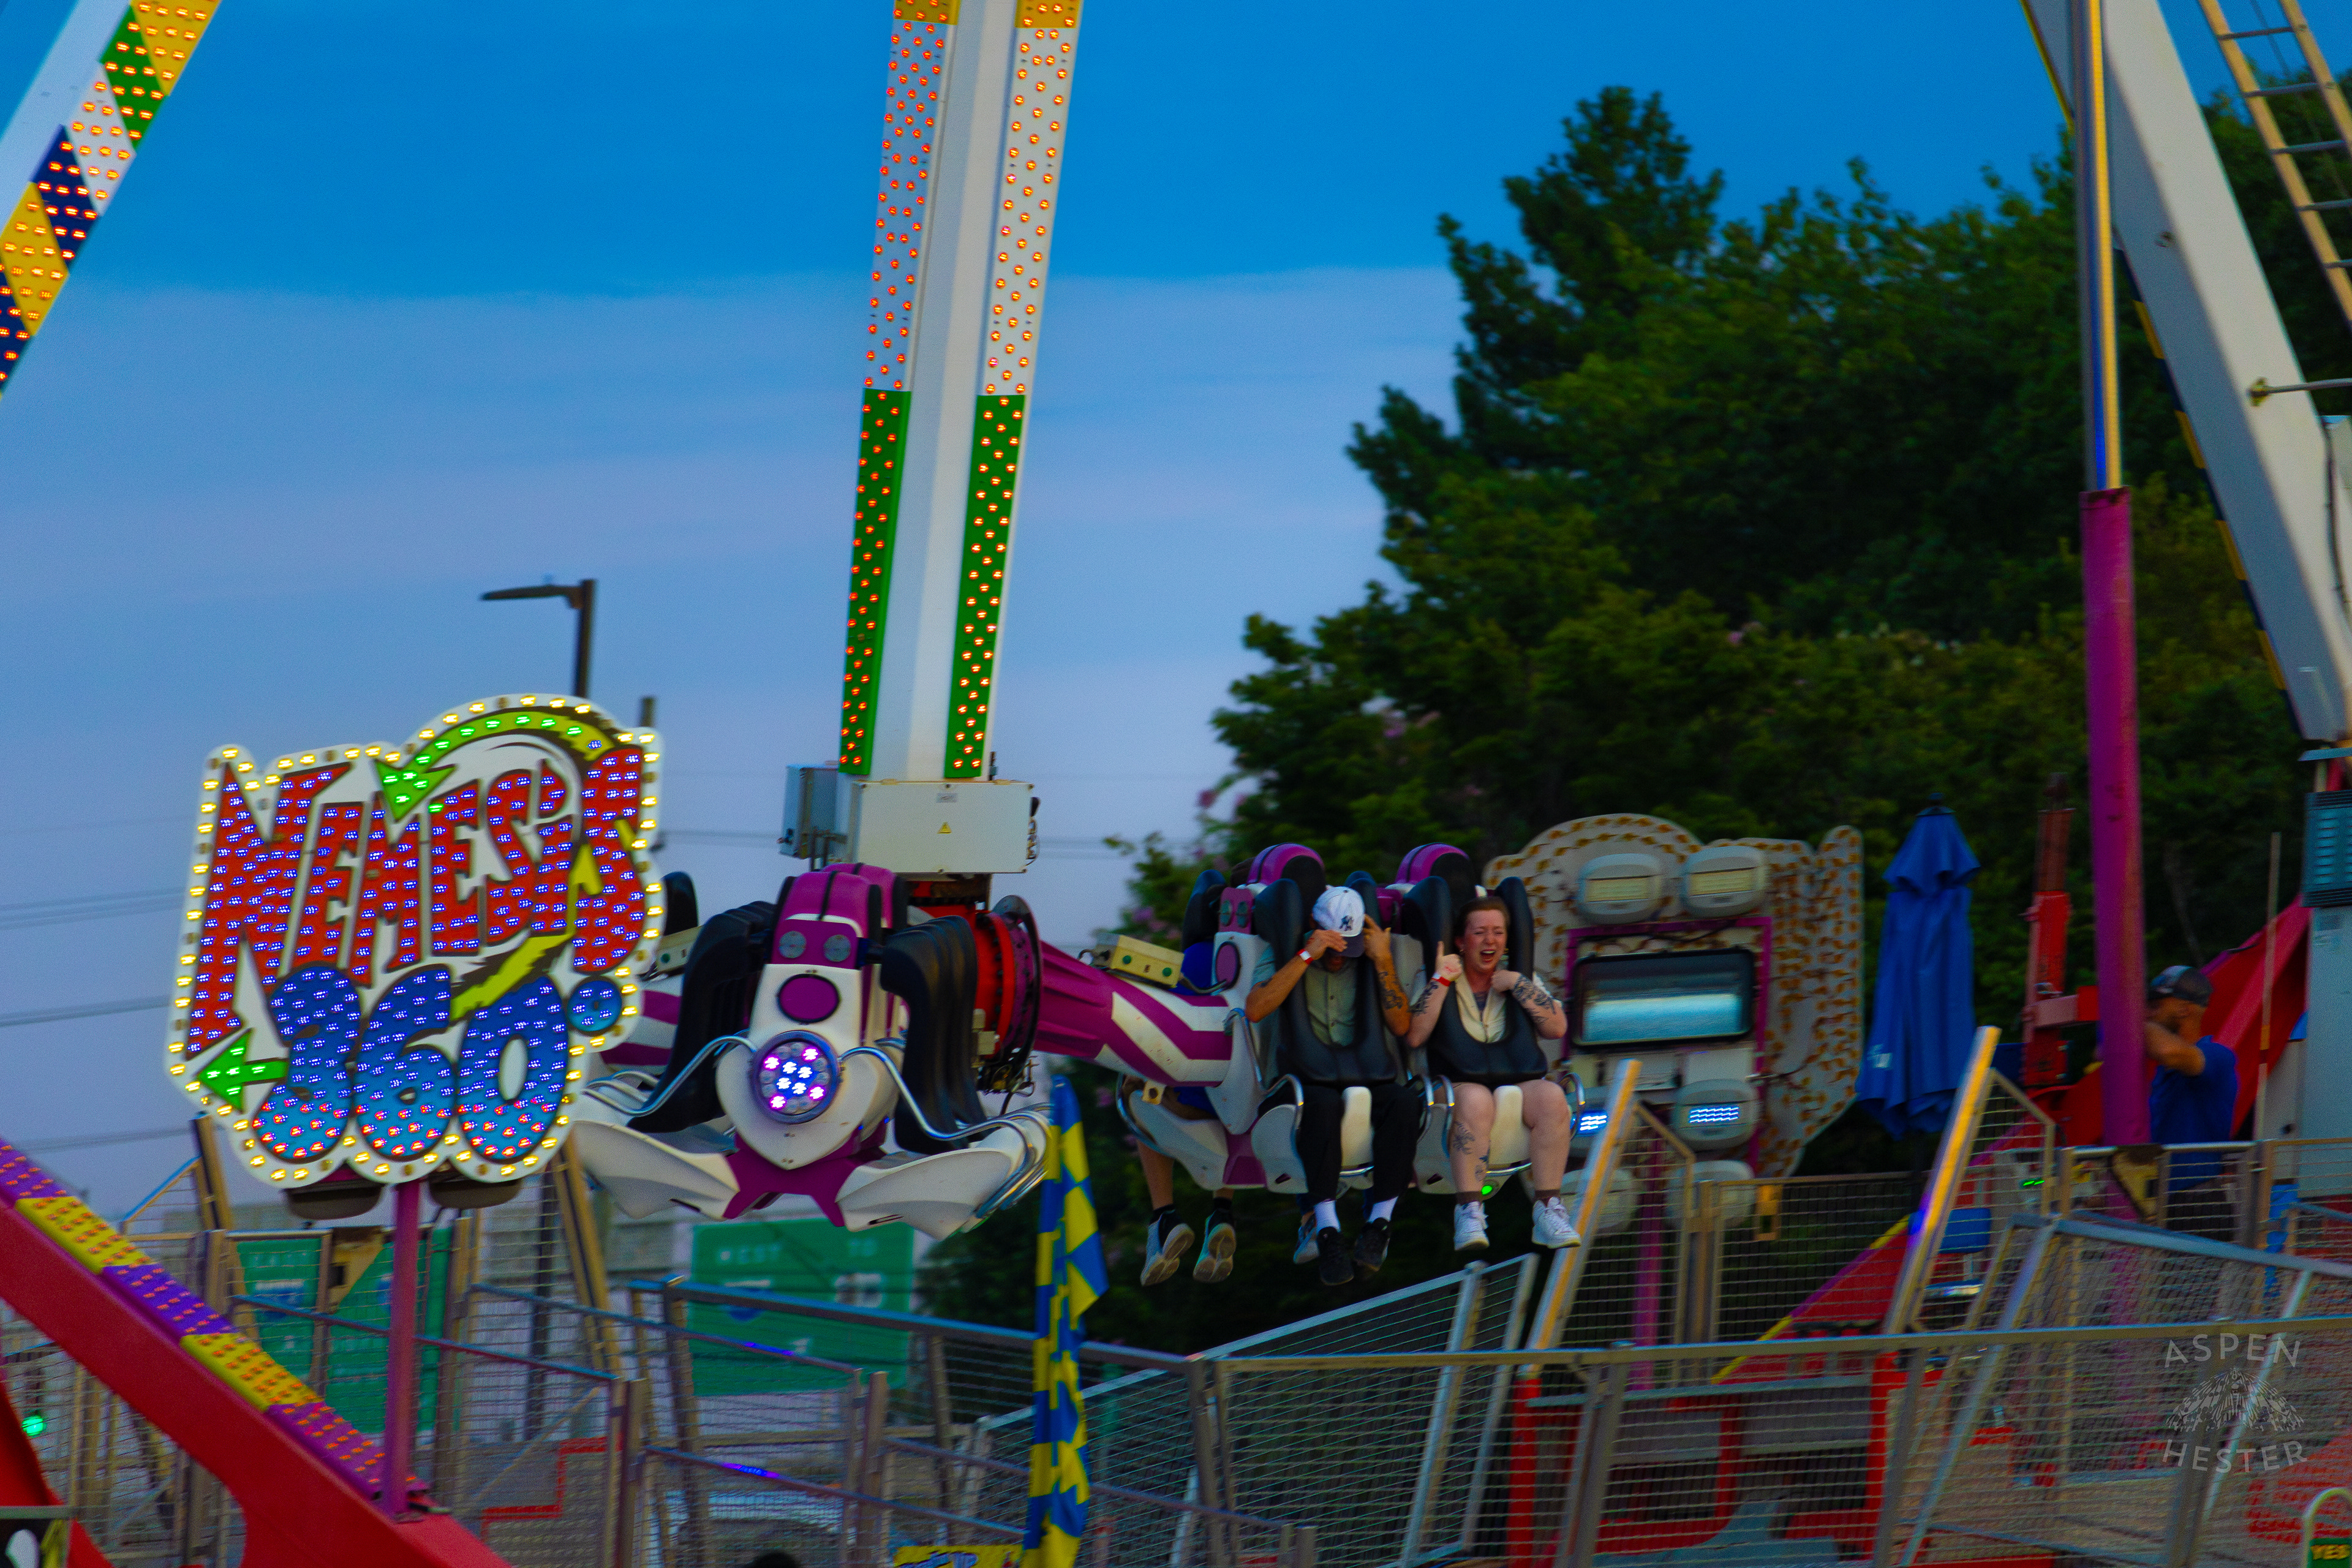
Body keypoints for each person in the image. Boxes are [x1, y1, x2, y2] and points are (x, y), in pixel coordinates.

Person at [1245, 884, 1417, 1286]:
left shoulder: (1366, 961)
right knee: (1321, 1106)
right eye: (1337, 947)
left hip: (1363, 1076)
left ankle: (1379, 1225)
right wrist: (1307, 954)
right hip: (1302, 1082)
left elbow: (1401, 1026)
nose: (1342, 958)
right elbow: (1255, 1009)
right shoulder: (1287, 953)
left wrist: (1382, 962)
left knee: (1404, 1103)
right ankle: (1326, 1230)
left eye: (1350, 948)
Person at [1405, 895, 1580, 1253]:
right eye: (1480, 932)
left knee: (1551, 1097)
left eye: (1498, 933)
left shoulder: (1523, 977)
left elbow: (1557, 1027)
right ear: (1460, 940)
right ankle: (1469, 1210)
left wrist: (1519, 984)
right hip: (1453, 1086)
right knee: (1474, 1099)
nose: (1490, 941)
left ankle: (1548, 1210)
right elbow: (1415, 1035)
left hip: (1513, 1079)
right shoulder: (1432, 974)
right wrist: (1441, 979)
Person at [2144, 963, 2237, 1202]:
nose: (2148, 1013)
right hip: (2167, 1200)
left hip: (2200, 1201)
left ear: (2185, 1009)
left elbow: (2166, 1049)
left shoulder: (2217, 1056)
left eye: (2156, 1005)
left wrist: (2128, 1024)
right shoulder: (2165, 1071)